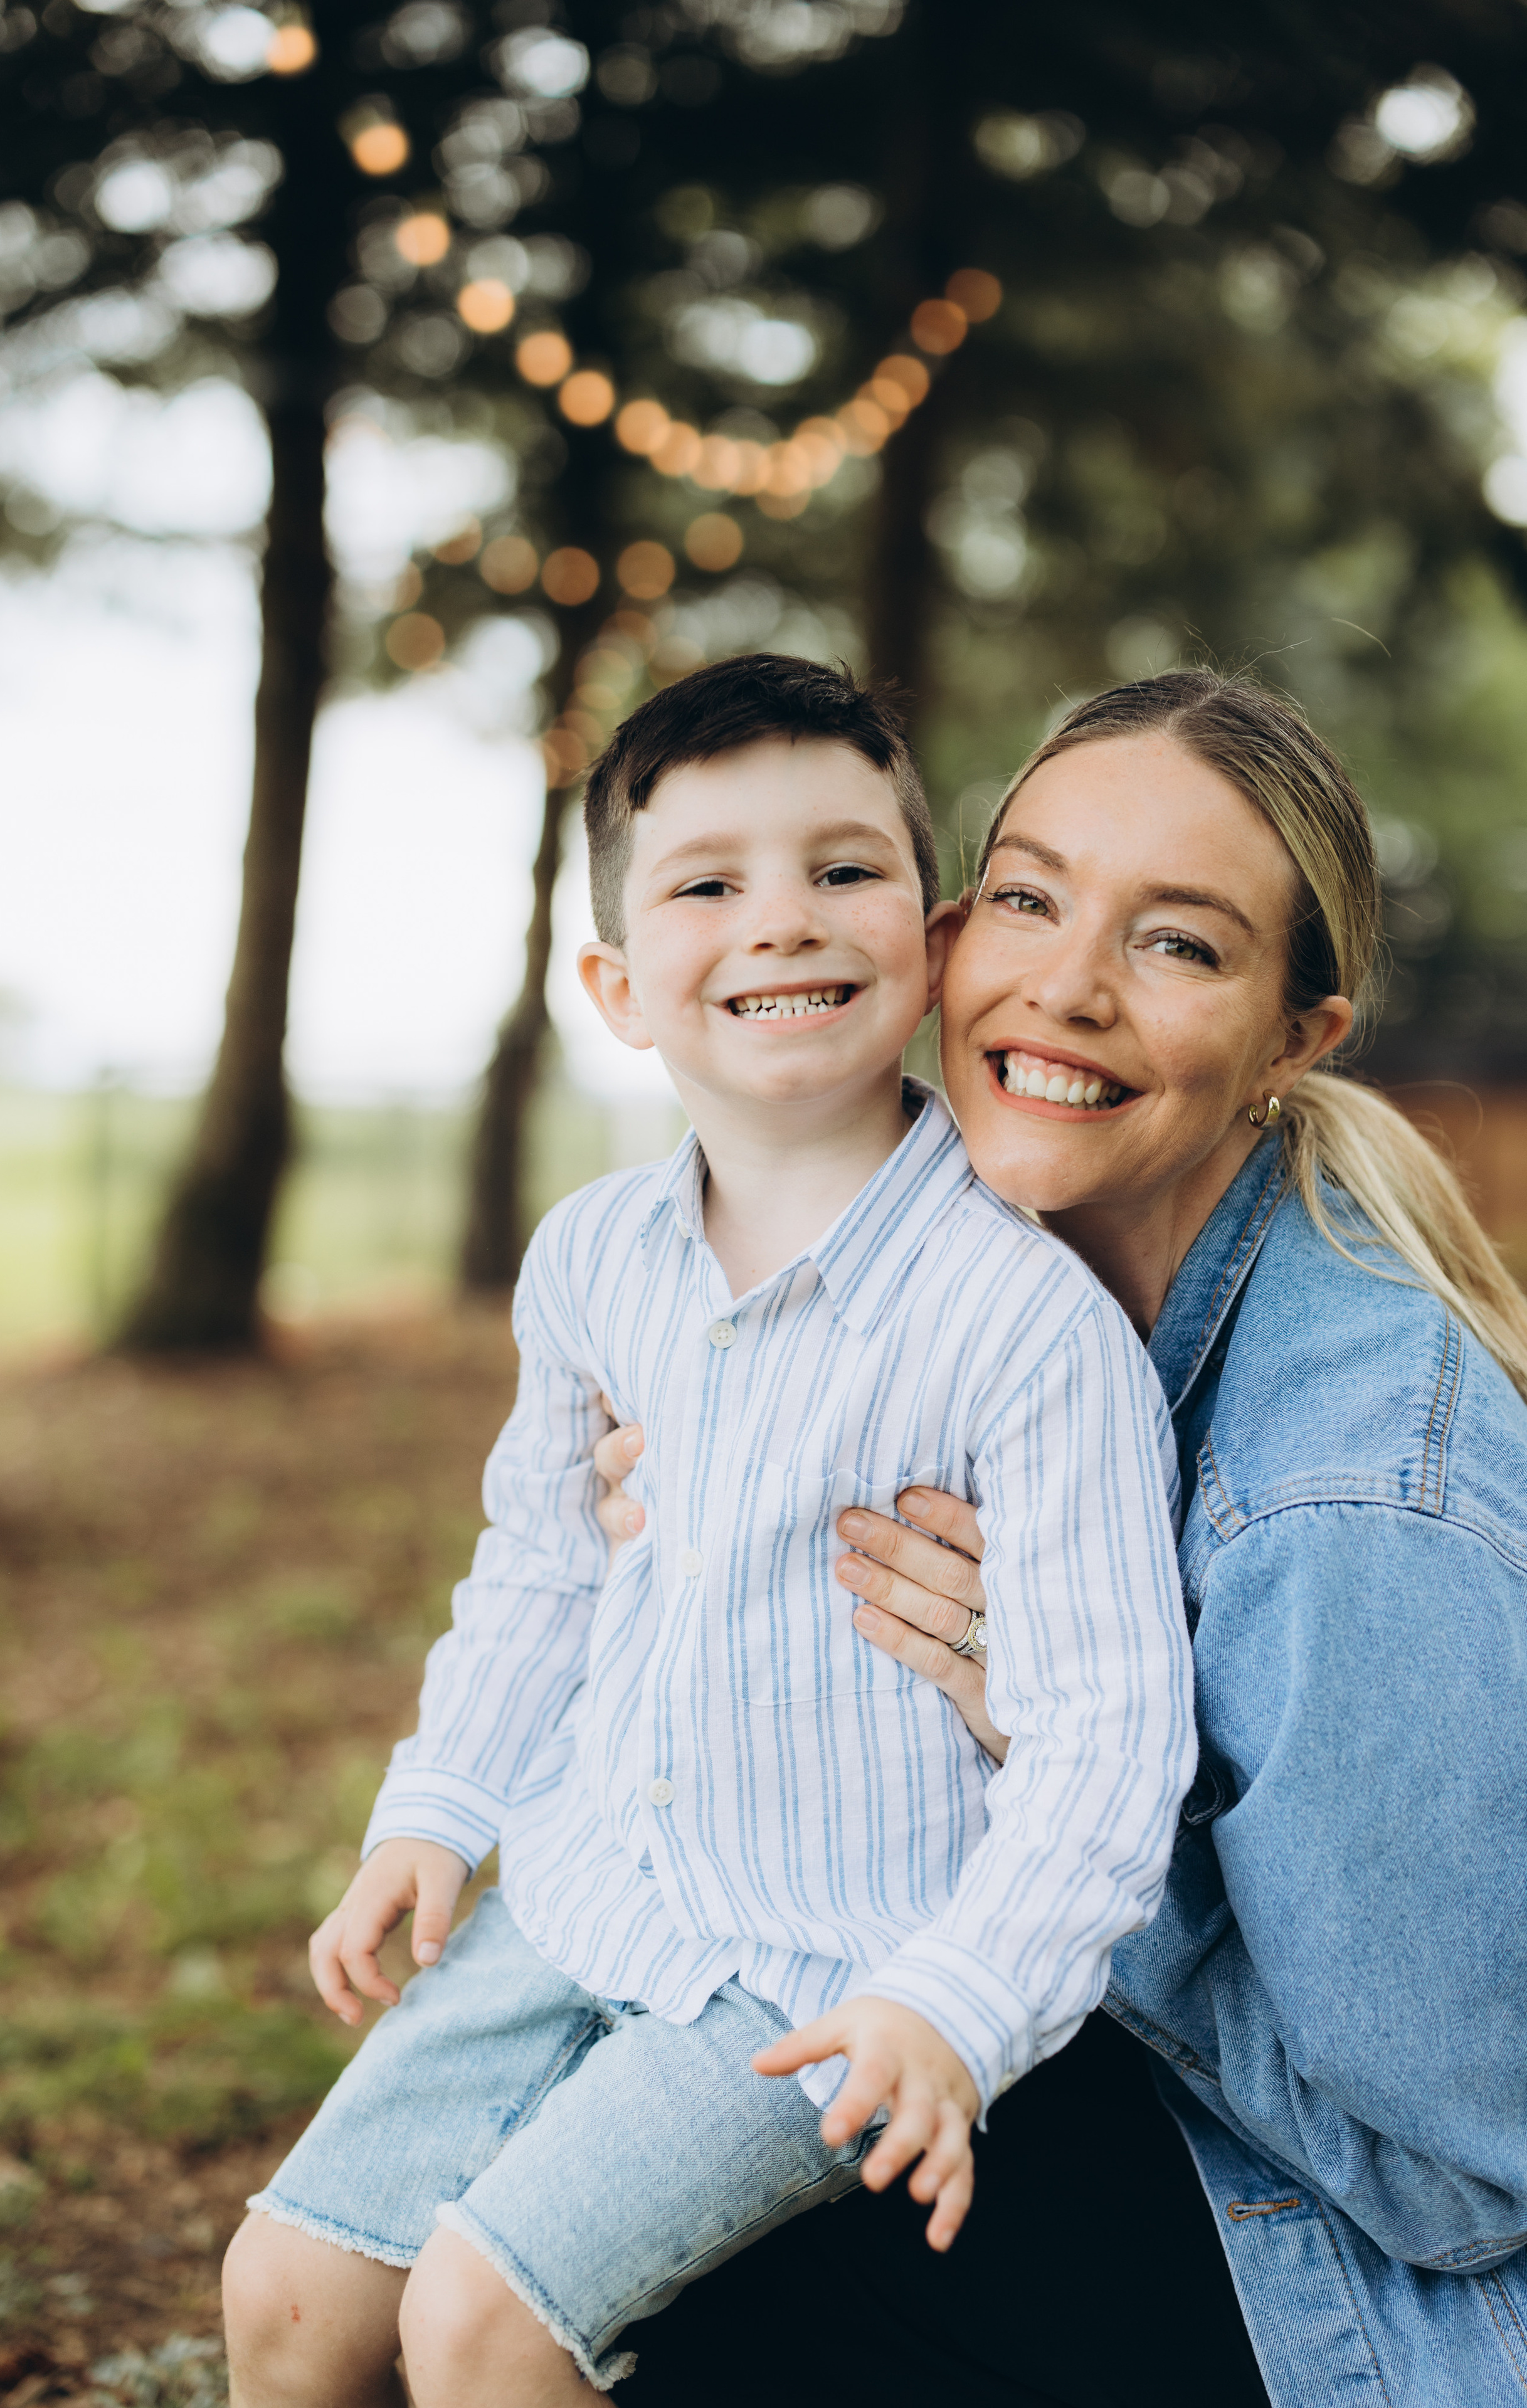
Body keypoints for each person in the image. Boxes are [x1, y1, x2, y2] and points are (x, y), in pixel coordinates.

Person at [220, 656, 1197, 2407]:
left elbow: (1111, 1742)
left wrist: (957, 2007)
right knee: (286, 2298)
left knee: (480, 2328)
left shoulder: (1026, 1329)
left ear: (935, 927)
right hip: (587, 1884)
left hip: (826, 1963)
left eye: (842, 868)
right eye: (707, 884)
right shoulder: (596, 1260)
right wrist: (439, 1809)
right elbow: (540, 1565)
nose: (782, 921)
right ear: (615, 985)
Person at [598, 669, 1527, 2408]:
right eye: (1028, 898)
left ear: (1296, 1036)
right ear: (950, 932)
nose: (1066, 988)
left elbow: (1469, 2179)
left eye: (1178, 944)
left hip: (1352, 2283)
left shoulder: (1341, 1511)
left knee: (697, 2309)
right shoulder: (975, 1297)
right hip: (1115, 2107)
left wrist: (1084, 1778)